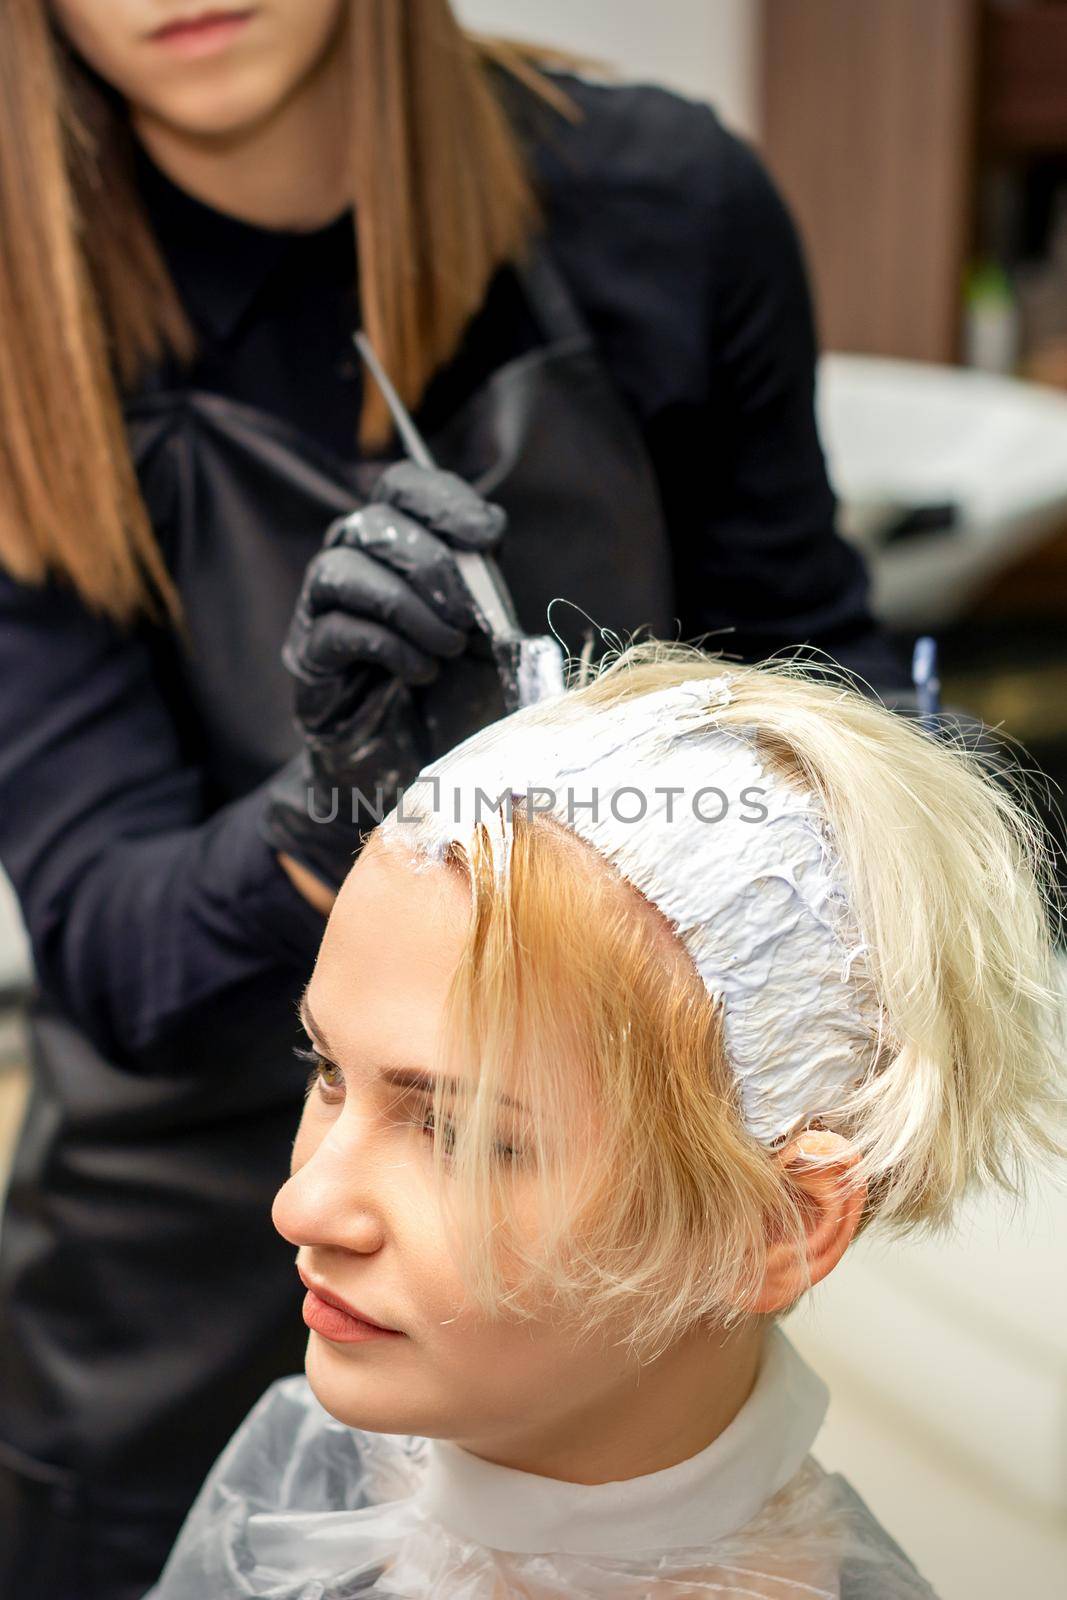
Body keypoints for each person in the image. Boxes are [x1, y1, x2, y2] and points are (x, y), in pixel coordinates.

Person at [0, 3, 910, 1596]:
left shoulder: (659, 208)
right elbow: (110, 949)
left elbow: (826, 706)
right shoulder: (22, 299)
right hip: (152, 1274)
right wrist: (328, 802)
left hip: (581, 1227)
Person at [145, 639, 1066, 1599]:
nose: (303, 1206)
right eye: (328, 1070)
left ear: (775, 1223)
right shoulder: (313, 1473)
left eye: (459, 1134)